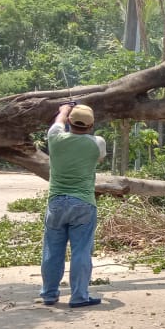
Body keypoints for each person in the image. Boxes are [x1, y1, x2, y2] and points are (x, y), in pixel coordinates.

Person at [38, 103, 107, 308]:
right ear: (92, 124)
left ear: (69, 122)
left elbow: (58, 121)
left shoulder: (55, 138)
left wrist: (65, 109)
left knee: (52, 251)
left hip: (56, 203)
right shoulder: (97, 143)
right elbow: (100, 159)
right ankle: (79, 296)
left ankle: (49, 295)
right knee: (81, 251)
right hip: (84, 203)